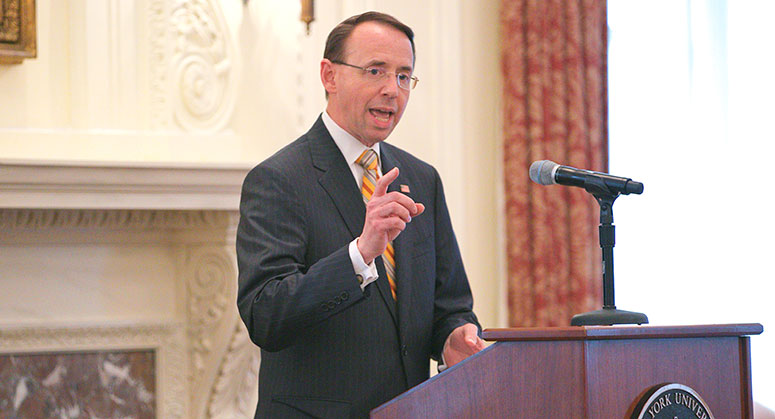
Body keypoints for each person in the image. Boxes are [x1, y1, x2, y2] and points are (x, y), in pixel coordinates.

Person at [236, 11, 485, 418]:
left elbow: (450, 302)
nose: (393, 90)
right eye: (376, 71)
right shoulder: (278, 179)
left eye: (405, 76)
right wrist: (360, 253)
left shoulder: (421, 179)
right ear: (329, 76)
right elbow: (267, 316)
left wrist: (453, 335)